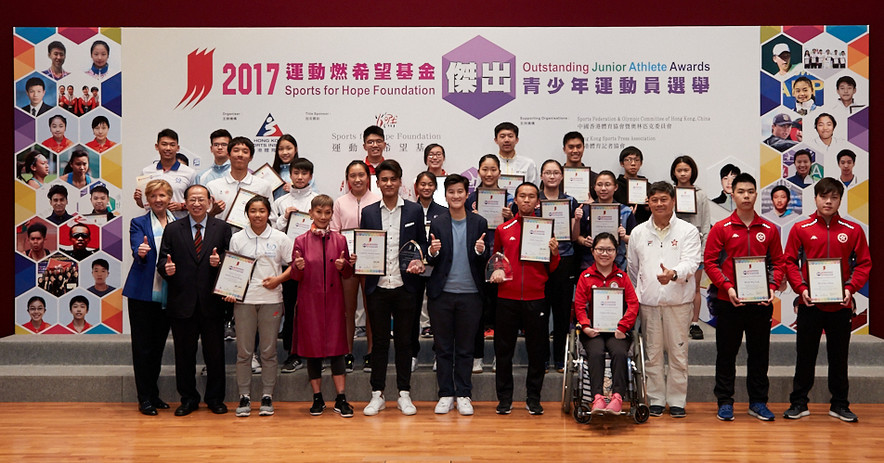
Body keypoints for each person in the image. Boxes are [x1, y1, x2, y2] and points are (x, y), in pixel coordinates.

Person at [783, 178, 872, 422]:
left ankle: (840, 404)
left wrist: (850, 288)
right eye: (824, 197)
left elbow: (864, 263)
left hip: (841, 305)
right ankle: (799, 403)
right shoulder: (801, 228)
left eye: (833, 197)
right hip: (809, 304)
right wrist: (801, 289)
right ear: (816, 198)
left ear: (840, 200)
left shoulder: (853, 231)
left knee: (839, 356)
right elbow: (789, 261)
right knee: (805, 356)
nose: (828, 201)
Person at [704, 173, 785, 422]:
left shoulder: (769, 229)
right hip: (728, 302)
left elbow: (779, 263)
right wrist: (727, 287)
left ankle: (758, 402)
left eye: (750, 191)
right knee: (726, 354)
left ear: (756, 194)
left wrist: (771, 287)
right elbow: (710, 263)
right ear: (733, 194)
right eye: (741, 191)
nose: (746, 196)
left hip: (760, 304)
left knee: (759, 355)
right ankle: (725, 402)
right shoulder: (721, 228)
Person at [627, 181, 701, 418]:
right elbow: (632, 268)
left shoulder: (688, 231)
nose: (659, 204)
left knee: (679, 354)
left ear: (673, 201)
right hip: (648, 303)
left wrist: (673, 274)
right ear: (648, 203)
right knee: (653, 353)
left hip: (679, 302)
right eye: (654, 200)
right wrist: (641, 293)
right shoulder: (638, 232)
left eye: (664, 199)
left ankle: (677, 400)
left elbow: (692, 262)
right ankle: (656, 399)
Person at [157, 184, 233, 416]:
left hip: (212, 303)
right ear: (186, 203)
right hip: (182, 302)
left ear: (210, 201)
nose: (197, 204)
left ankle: (215, 398)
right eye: (193, 200)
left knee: (215, 354)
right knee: (184, 355)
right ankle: (188, 399)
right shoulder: (172, 229)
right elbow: (162, 262)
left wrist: (218, 263)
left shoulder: (222, 228)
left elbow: (231, 263)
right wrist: (166, 269)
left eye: (201, 199)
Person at [360, 159, 427, 416]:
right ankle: (377, 394)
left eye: (393, 179)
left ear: (400, 182)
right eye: (383, 180)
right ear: (377, 183)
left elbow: (420, 245)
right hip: (377, 286)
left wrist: (420, 260)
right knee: (378, 342)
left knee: (404, 342)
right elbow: (365, 244)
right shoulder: (368, 211)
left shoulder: (413, 210)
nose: (388, 184)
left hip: (405, 285)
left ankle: (403, 393)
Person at [490, 182, 560, 416]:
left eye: (531, 196)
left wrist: (554, 253)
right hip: (506, 298)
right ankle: (505, 398)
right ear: (516, 200)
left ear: (537, 202)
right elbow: (496, 259)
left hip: (536, 297)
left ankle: (533, 398)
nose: (527, 200)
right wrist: (497, 270)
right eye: (523, 196)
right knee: (503, 351)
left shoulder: (545, 228)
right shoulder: (503, 229)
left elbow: (551, 268)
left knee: (537, 351)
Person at [426, 174, 489, 415]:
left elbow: (485, 256)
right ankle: (445, 394)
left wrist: (480, 251)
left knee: (465, 348)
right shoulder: (439, 222)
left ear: (466, 194)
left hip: (471, 294)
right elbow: (432, 257)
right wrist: (432, 252)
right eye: (451, 192)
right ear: (446, 194)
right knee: (443, 348)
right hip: (442, 294)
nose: (455, 196)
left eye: (460, 192)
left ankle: (463, 393)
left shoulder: (479, 222)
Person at [225, 196, 292, 418]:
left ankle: (266, 396)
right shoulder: (237, 238)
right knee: (244, 352)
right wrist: (231, 291)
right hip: (244, 301)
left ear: (268, 213)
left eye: (262, 210)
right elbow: (232, 268)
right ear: (247, 214)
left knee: (268, 351)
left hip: (272, 299)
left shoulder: (280, 237)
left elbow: (293, 266)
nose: (257, 215)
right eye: (253, 211)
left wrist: (278, 280)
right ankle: (244, 396)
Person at [290, 195, 356, 418]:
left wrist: (344, 265)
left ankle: (341, 398)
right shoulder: (300, 241)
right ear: (311, 213)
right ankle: (317, 398)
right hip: (310, 302)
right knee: (313, 351)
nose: (323, 217)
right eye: (318, 212)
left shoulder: (340, 240)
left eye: (327, 213)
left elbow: (348, 273)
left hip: (335, 302)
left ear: (332, 215)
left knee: (338, 350)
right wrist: (298, 267)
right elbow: (296, 276)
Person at [122, 179, 174, 416]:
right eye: (153, 196)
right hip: (142, 293)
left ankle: (153, 394)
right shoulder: (138, 223)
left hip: (169, 293)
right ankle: (143, 398)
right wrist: (140, 252)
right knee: (142, 348)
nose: (158, 200)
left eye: (162, 195)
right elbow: (136, 246)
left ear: (169, 198)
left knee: (157, 347)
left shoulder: (179, 223)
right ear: (147, 200)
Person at [573, 232, 640, 415]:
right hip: (592, 331)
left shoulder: (622, 278)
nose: (604, 253)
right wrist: (585, 326)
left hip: (617, 331)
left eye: (609, 249)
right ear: (593, 252)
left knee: (619, 352)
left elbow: (633, 304)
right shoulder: (585, 277)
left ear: (616, 252)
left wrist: (623, 327)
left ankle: (617, 397)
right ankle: (597, 398)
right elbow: (579, 305)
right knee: (595, 352)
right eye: (600, 249)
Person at [330, 160, 381, 372]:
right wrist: (343, 257)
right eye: (353, 175)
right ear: (347, 179)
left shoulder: (378, 199)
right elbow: (334, 232)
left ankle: (371, 353)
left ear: (368, 178)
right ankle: (347, 353)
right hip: (348, 264)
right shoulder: (340, 202)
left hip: (372, 263)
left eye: (361, 175)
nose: (357, 179)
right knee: (348, 311)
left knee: (372, 310)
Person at [465, 154, 514, 371]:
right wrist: (473, 217)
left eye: (493, 169)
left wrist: (510, 217)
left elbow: (519, 229)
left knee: (500, 311)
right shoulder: (470, 199)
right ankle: (477, 356)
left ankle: (498, 357)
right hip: (477, 257)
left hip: (501, 257)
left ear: (499, 173)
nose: (489, 173)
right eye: (485, 169)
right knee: (477, 308)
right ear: (478, 172)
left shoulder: (511, 199)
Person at [272, 157, 317, 372]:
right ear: (290, 176)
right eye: (296, 173)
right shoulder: (280, 202)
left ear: (310, 176)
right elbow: (272, 231)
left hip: (315, 265)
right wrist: (284, 218)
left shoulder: (318, 200)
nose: (300, 177)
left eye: (304, 173)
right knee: (290, 309)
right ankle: (292, 353)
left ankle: (316, 352)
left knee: (314, 310)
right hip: (288, 264)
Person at [537, 159, 580, 372]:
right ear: (542, 176)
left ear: (562, 176)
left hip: (565, 259)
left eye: (556, 173)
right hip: (539, 260)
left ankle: (560, 359)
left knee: (562, 312)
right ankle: (543, 359)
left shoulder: (570, 201)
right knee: (541, 311)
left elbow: (573, 236)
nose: (552, 176)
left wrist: (578, 220)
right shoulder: (535, 200)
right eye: (548, 172)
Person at [671, 156, 711, 340]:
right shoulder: (670, 193)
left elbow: (705, 223)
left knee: (694, 288)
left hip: (695, 246)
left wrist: (703, 252)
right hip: (674, 246)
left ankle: (694, 323)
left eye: (686, 170)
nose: (683, 173)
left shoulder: (701, 194)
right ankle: (675, 323)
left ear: (692, 172)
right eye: (679, 170)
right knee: (675, 286)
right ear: (674, 173)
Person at [410, 171, 447, 364]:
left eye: (430, 184)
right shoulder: (408, 210)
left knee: (437, 314)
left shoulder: (443, 211)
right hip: (413, 269)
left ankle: (437, 354)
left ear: (435, 187)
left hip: (436, 269)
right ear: (416, 186)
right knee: (412, 313)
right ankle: (413, 354)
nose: (426, 187)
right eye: (422, 184)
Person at [206, 136, 275, 226]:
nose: (240, 154)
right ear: (228, 155)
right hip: (220, 237)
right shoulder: (213, 186)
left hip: (253, 237)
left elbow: (272, 218)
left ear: (251, 157)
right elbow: (202, 220)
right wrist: (213, 212)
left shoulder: (263, 185)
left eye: (245, 152)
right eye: (236, 150)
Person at [577, 170, 637, 272]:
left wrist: (623, 237)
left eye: (608, 185)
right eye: (599, 185)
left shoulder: (625, 211)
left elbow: (635, 239)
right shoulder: (586, 210)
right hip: (590, 265)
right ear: (594, 187)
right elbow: (577, 237)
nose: (603, 188)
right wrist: (584, 241)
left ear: (615, 187)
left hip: (618, 265)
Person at [135, 129, 196, 219]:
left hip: (180, 224)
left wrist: (181, 206)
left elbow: (197, 202)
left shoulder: (190, 173)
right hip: (154, 224)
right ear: (157, 146)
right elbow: (144, 205)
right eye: (164, 144)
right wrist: (139, 200)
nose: (168, 148)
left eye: (172, 145)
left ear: (177, 148)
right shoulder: (146, 171)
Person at [613, 146, 650, 223]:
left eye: (636, 160)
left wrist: (648, 207)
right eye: (628, 160)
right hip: (621, 227)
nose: (633, 163)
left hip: (643, 226)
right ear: (621, 163)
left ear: (641, 163)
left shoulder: (648, 186)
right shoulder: (615, 187)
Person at [561, 131, 598, 202]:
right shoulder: (556, 177)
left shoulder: (595, 178)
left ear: (583, 148)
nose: (575, 150)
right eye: (571, 147)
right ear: (564, 149)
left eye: (578, 147)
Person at [269, 134, 300, 199]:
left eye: (289, 148)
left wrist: (295, 190)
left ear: (296, 149)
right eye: (281, 149)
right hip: (275, 208)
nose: (284, 152)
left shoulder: (304, 172)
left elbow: (313, 196)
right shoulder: (271, 173)